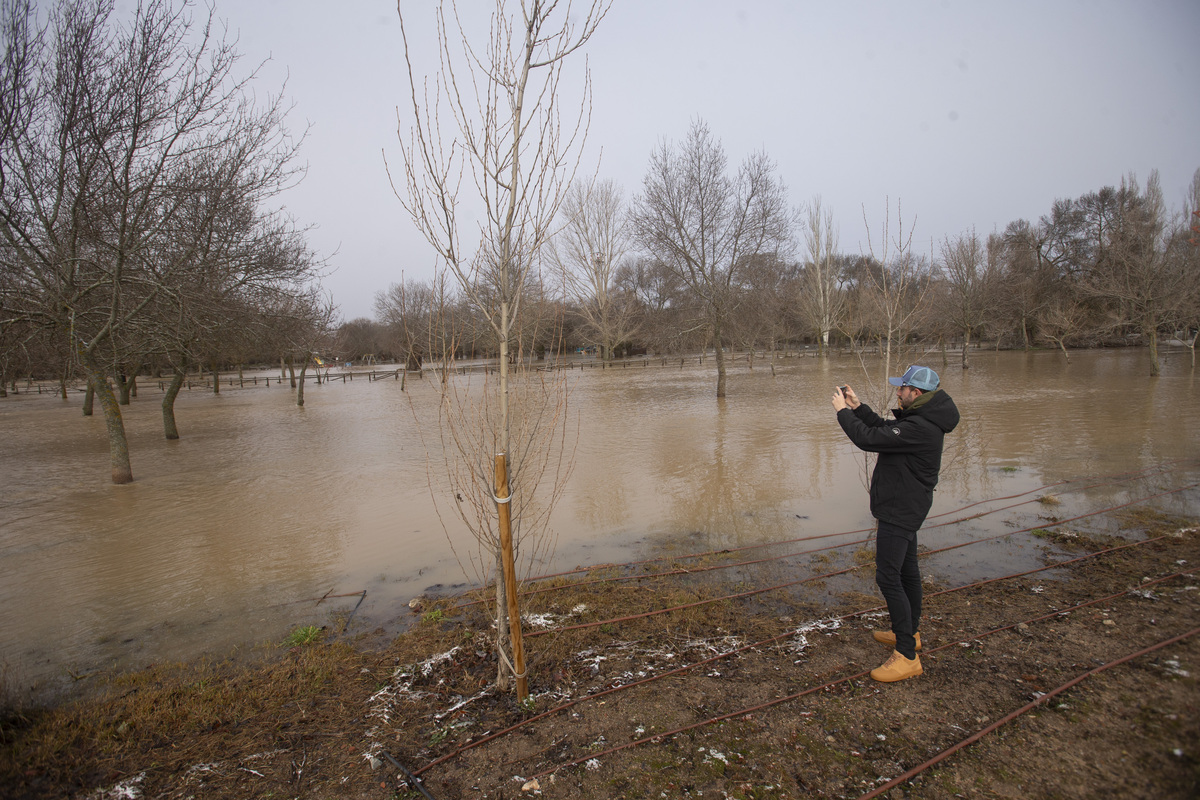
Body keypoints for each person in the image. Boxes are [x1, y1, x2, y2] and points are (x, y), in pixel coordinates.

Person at [831, 365, 960, 683]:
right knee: (907, 572)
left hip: (900, 509)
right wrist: (858, 407)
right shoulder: (923, 419)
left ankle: (906, 655)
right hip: (908, 504)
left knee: (888, 577)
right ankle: (910, 633)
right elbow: (885, 431)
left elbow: (867, 439)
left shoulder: (920, 427)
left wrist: (842, 413)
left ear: (915, 393)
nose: (897, 392)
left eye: (901, 389)